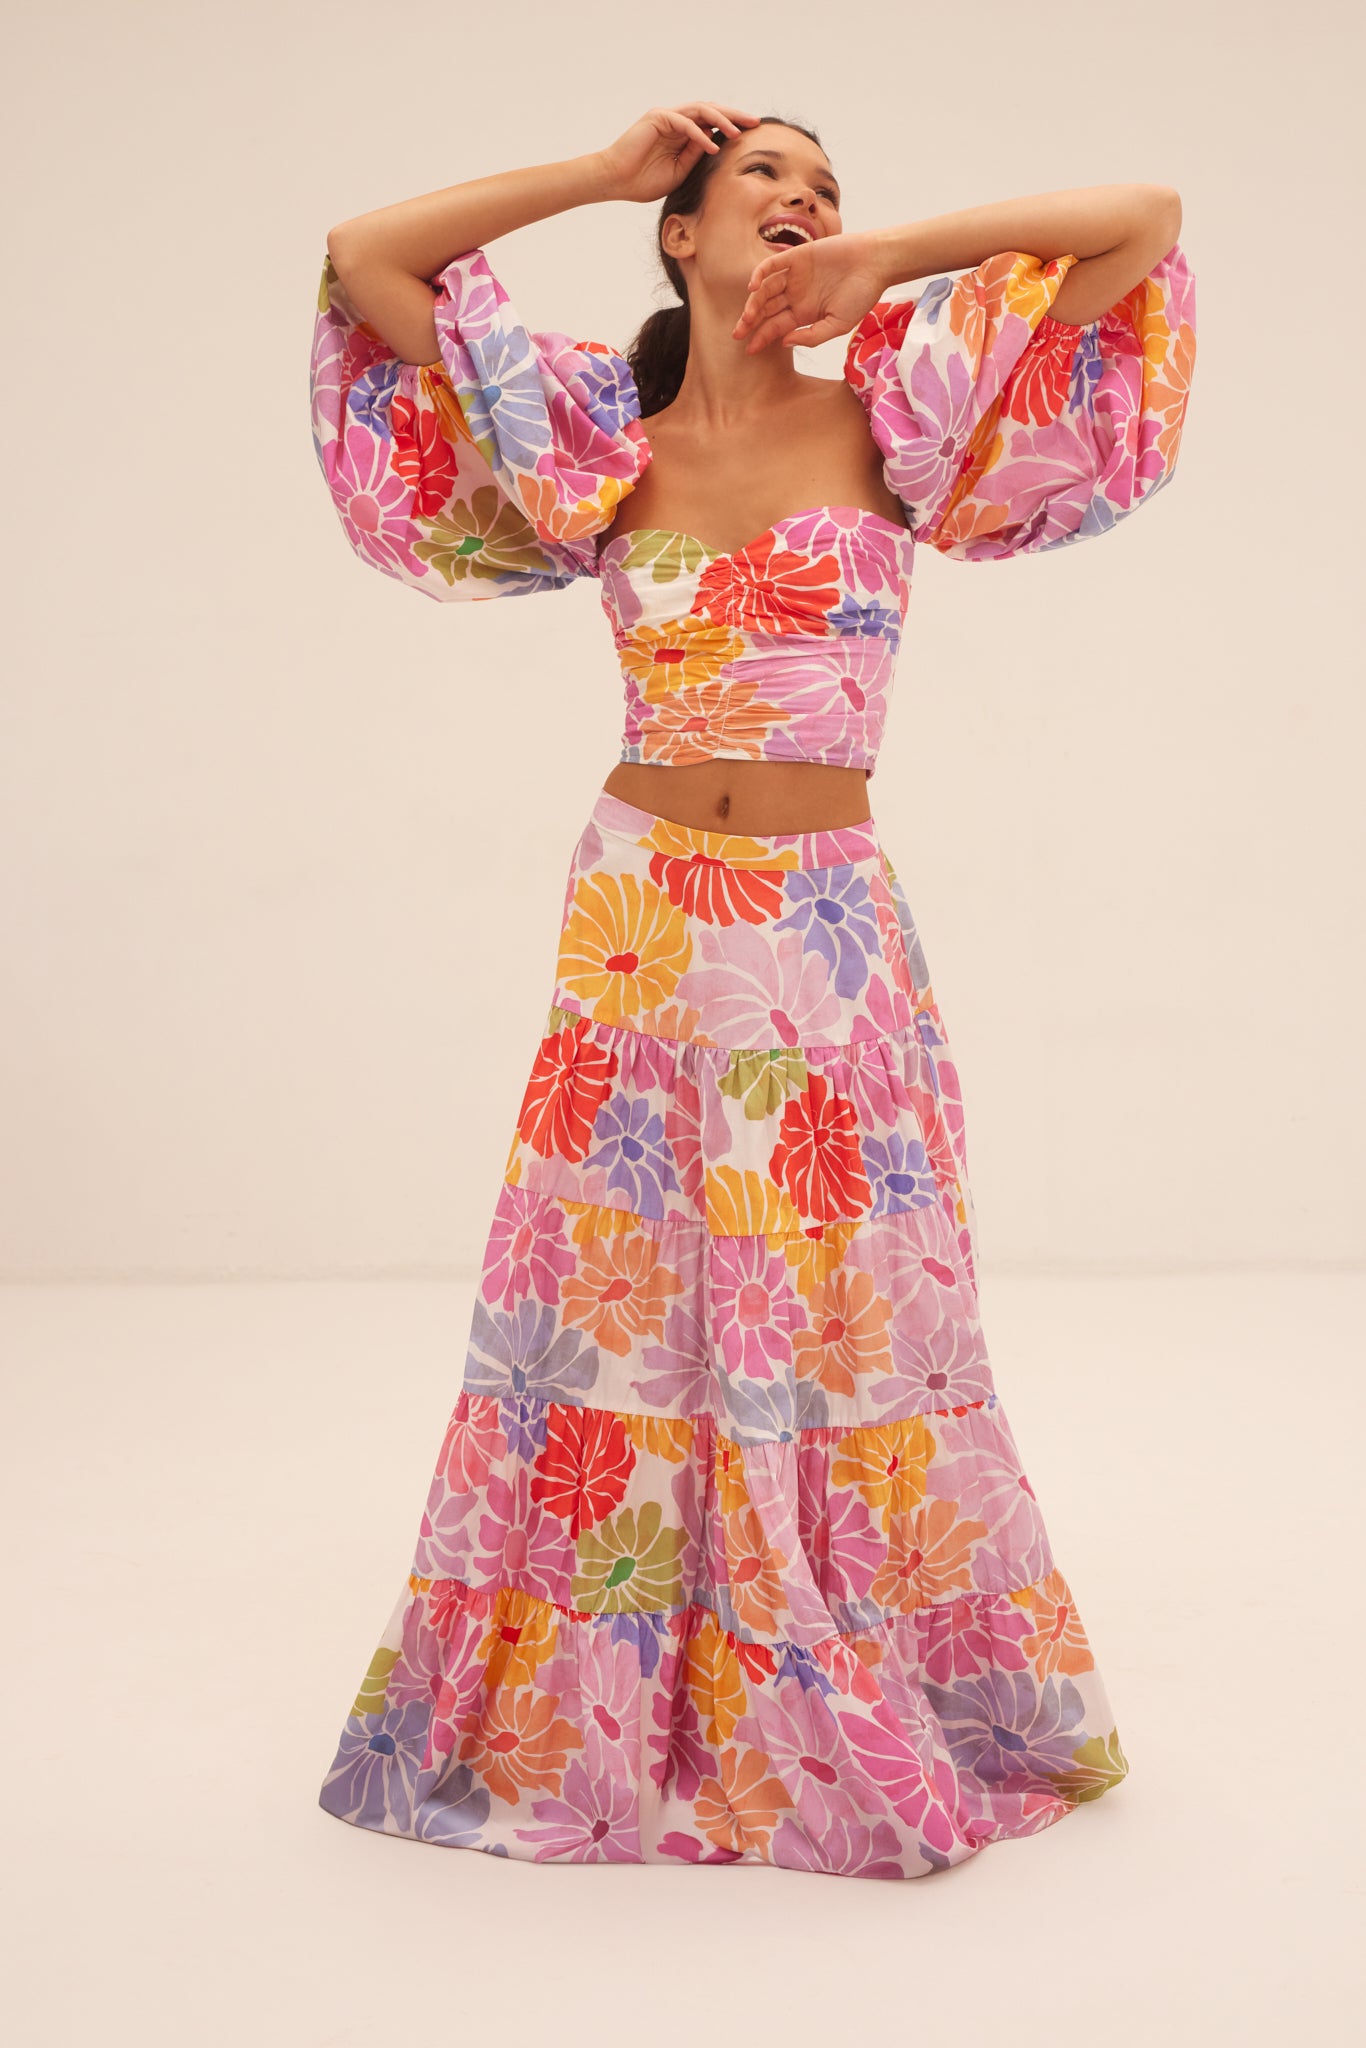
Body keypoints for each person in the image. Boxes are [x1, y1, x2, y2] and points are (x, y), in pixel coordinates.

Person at [308, 101, 1196, 1877]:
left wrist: (891, 258)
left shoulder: (898, 416)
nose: (805, 197)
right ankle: (607, 1709)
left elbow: (1141, 217)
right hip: (639, 920)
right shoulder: (590, 442)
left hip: (821, 930)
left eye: (826, 184)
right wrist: (599, 170)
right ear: (684, 232)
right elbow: (365, 259)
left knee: (833, 1299)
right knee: (617, 1306)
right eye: (767, 178)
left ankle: (832, 1664)